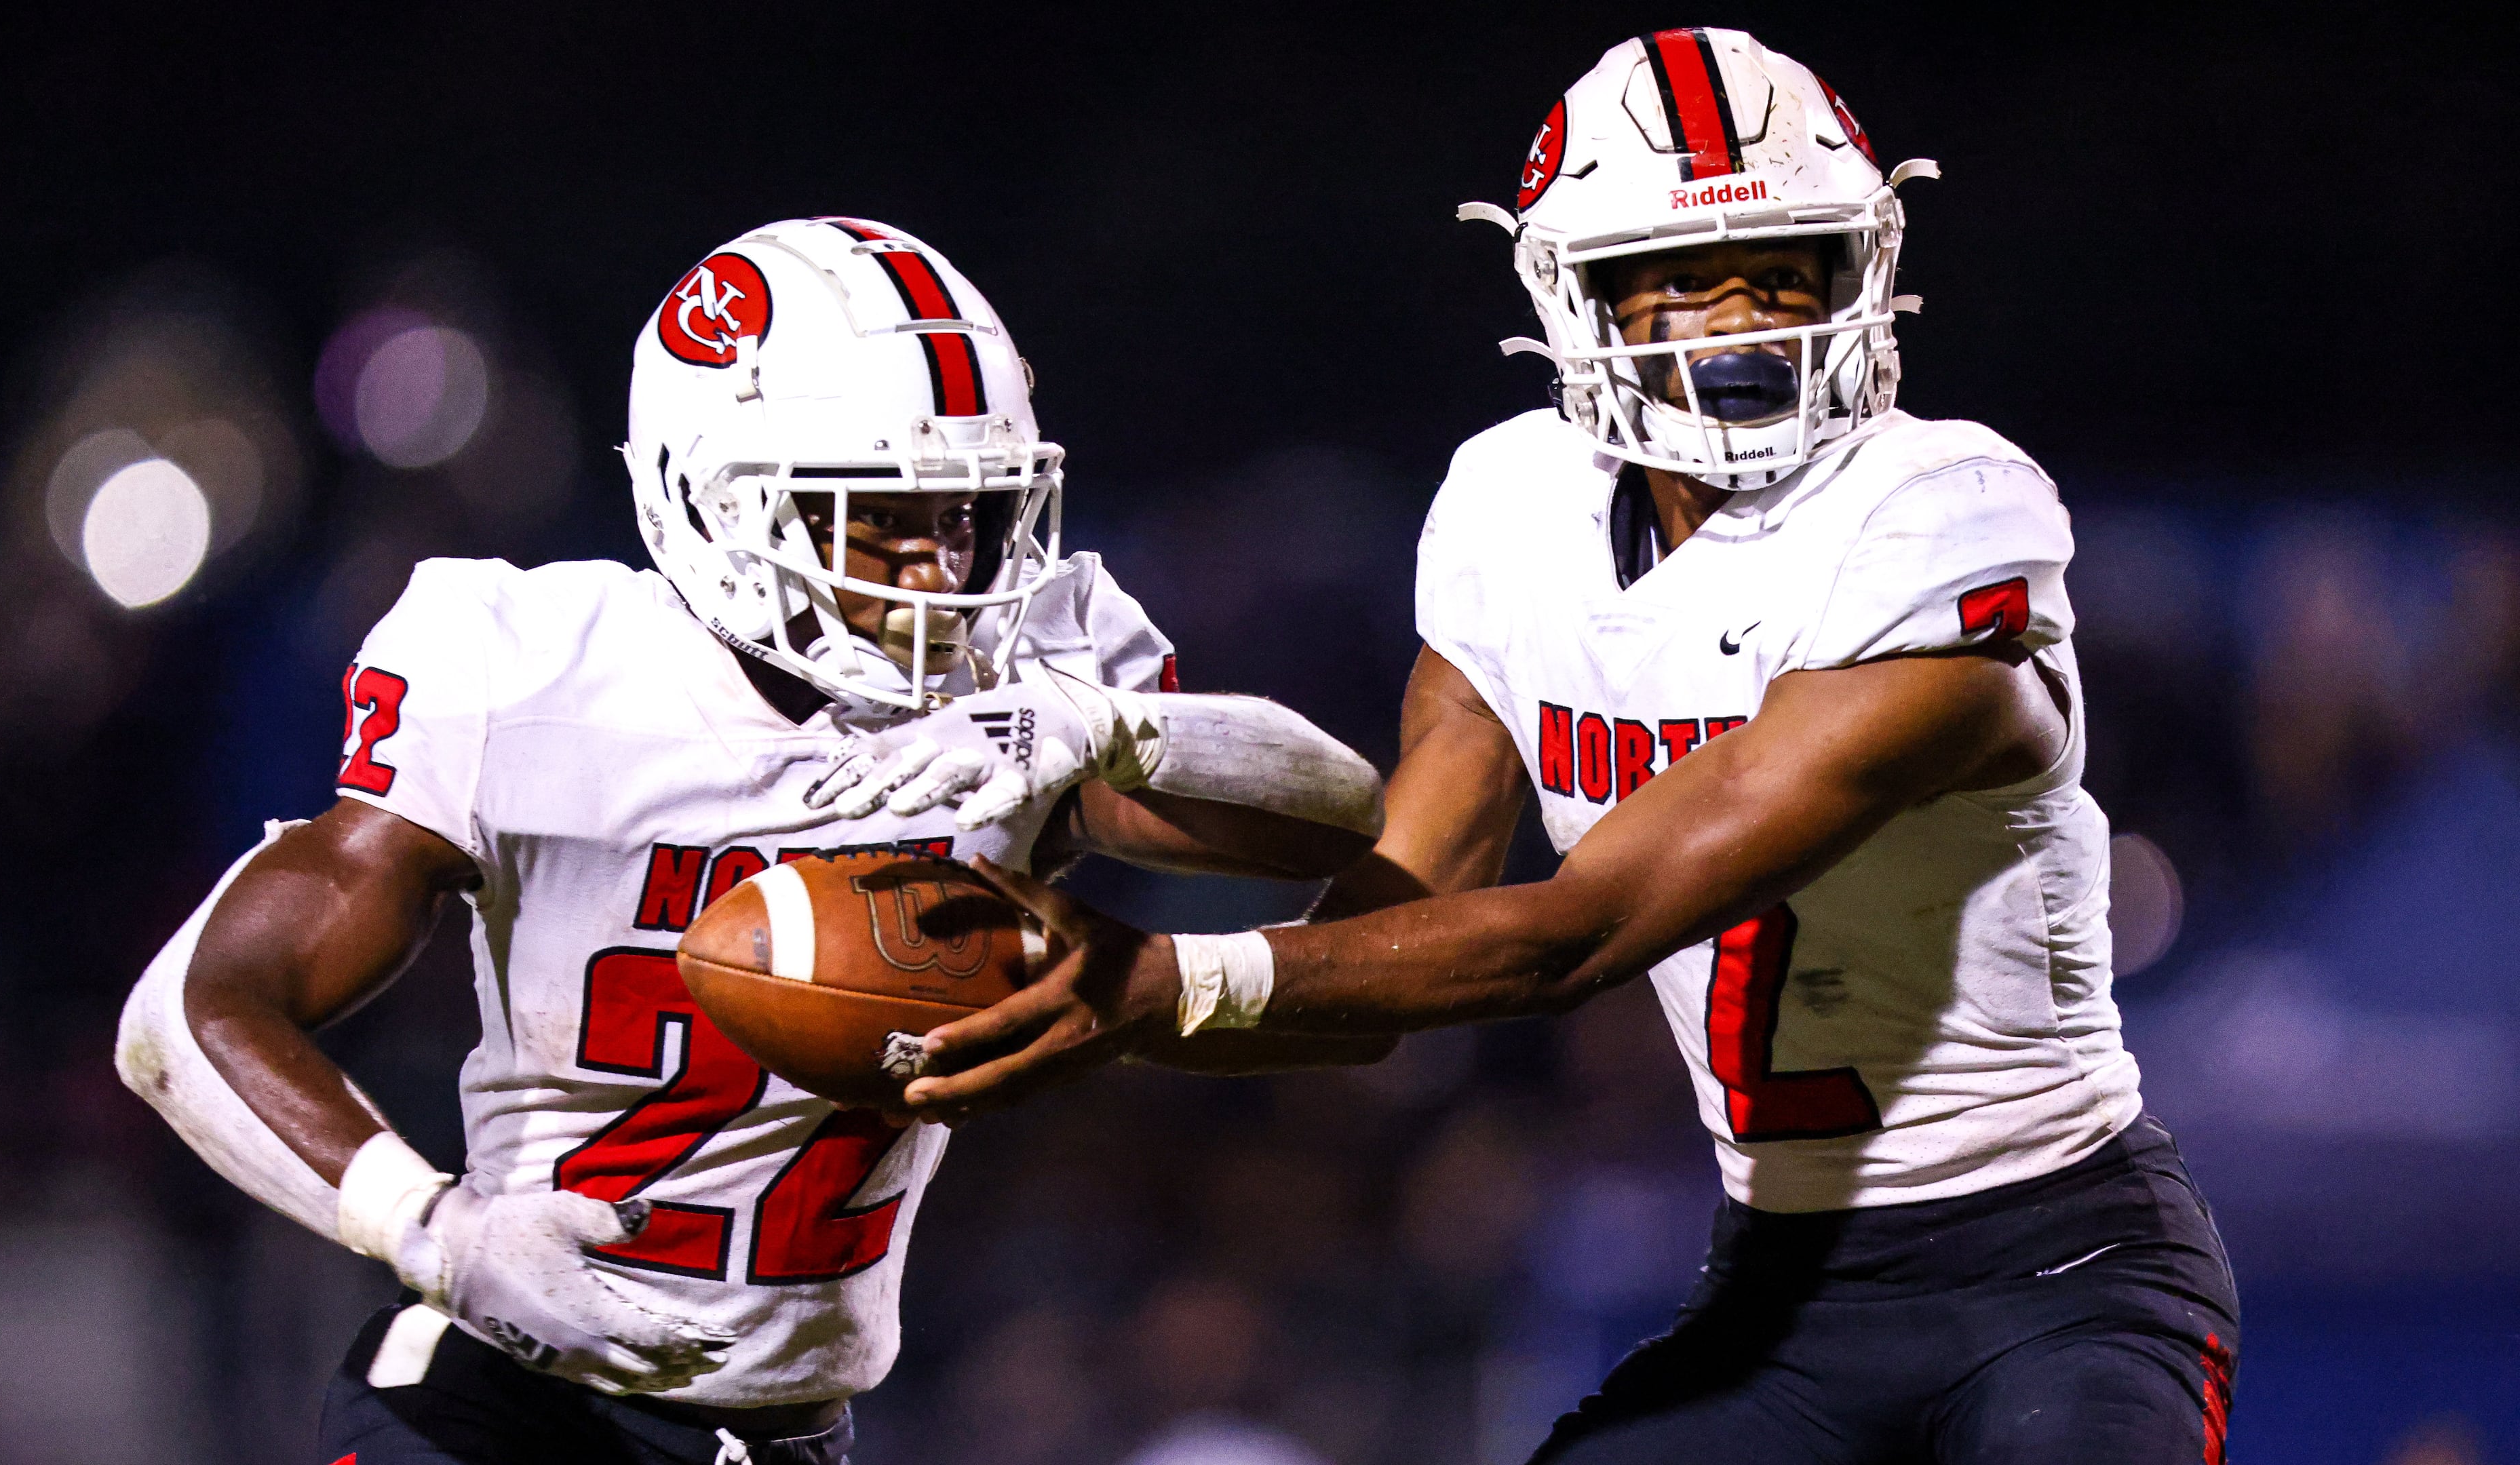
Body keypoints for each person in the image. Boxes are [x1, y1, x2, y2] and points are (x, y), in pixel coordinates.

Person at [902, 28, 2240, 1464]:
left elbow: (1570, 938)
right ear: (1578, 297)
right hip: (1780, 1292)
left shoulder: (1943, 509)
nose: (1746, 318)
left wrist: (1158, 981)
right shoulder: (1511, 507)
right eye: (1686, 277)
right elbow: (1392, 951)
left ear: (1864, 269)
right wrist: (1095, 889)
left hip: (2058, 1272)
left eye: (1785, 265)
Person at [116, 217, 1391, 1465]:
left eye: (970, 514)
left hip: (784, 1431)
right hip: (497, 1403)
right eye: (879, 517)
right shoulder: (528, 671)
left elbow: (1333, 821)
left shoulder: (1029, 686)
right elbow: (185, 1013)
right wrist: (435, 1230)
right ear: (714, 502)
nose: (943, 571)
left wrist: (1107, 730)